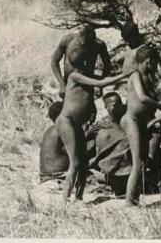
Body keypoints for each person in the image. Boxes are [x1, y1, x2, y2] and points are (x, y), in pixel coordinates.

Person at [55, 53, 131, 202]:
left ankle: (79, 197)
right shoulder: (75, 76)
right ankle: (65, 198)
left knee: (82, 163)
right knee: (75, 161)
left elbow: (101, 82)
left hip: (77, 124)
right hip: (67, 121)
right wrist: (124, 75)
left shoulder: (86, 81)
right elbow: (102, 84)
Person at [120, 45, 161, 207]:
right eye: (154, 63)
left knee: (142, 161)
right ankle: (129, 200)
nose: (155, 67)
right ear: (148, 62)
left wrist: (159, 119)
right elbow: (142, 98)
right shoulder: (135, 75)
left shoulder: (148, 78)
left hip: (142, 122)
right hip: (132, 120)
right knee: (137, 162)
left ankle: (134, 197)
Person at [51, 25, 111, 98]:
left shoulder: (99, 45)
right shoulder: (67, 40)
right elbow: (54, 61)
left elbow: (107, 65)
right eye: (83, 42)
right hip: (69, 84)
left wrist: (100, 85)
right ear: (79, 36)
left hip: (87, 85)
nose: (85, 45)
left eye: (89, 42)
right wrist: (61, 84)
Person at [39, 101, 69, 183]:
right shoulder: (62, 129)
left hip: (46, 174)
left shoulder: (50, 129)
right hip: (57, 175)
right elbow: (73, 152)